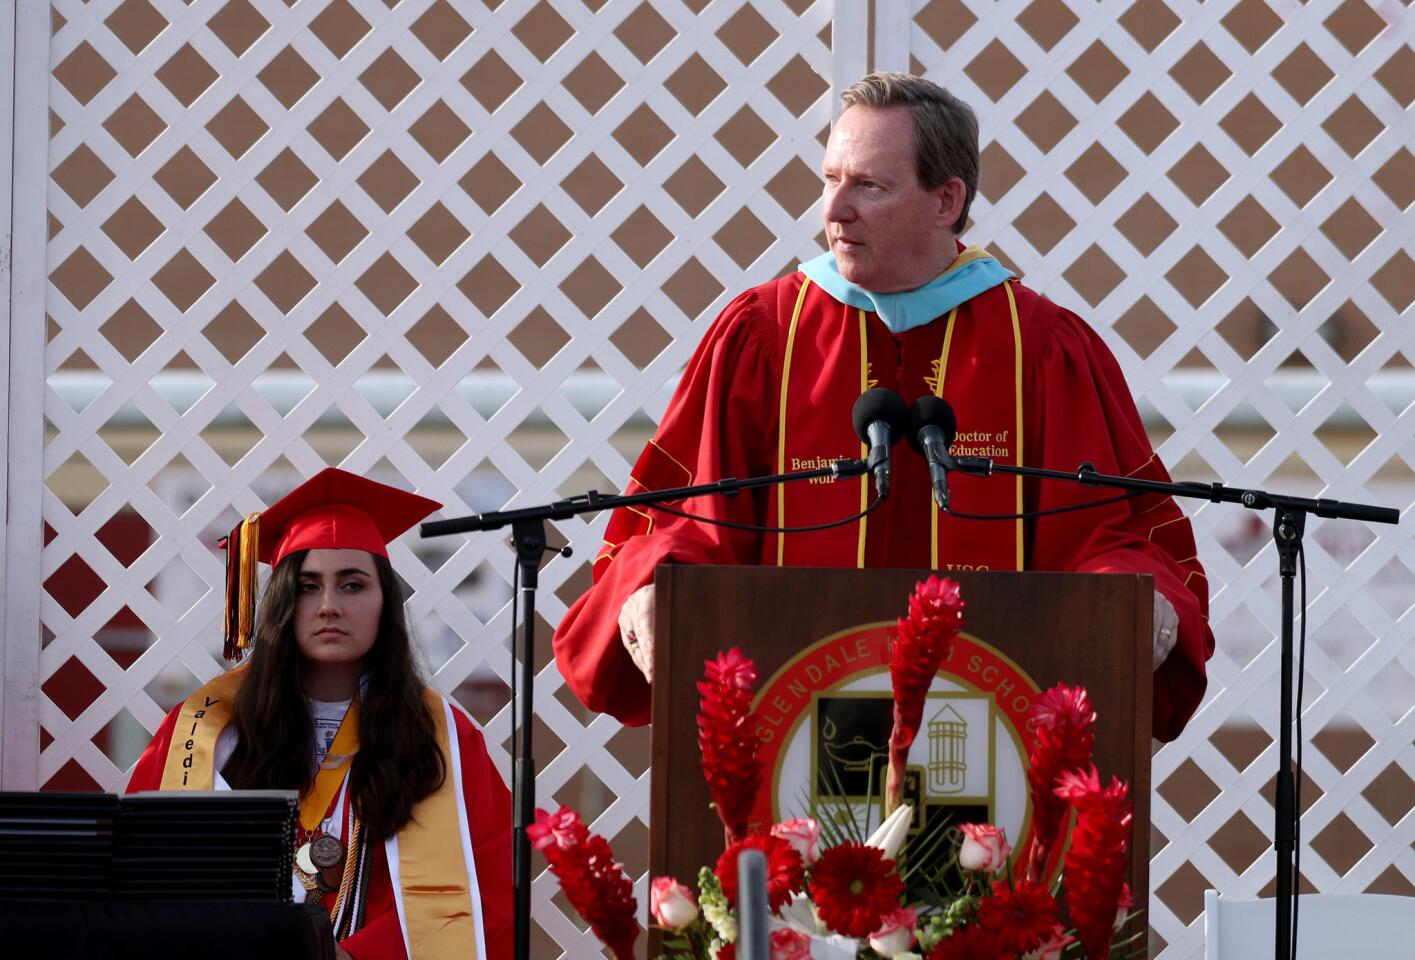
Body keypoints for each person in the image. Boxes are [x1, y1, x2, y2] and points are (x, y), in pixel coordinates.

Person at [553, 72, 1214, 742]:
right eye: (829, 180)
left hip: (993, 735)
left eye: (868, 185)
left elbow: (1102, 536)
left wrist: (1138, 596)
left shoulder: (1038, 348)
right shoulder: (762, 335)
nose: (835, 210)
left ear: (944, 201)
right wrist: (653, 581)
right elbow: (694, 519)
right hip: (786, 733)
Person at [128, 468, 511, 958]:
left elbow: (488, 891)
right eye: (308, 586)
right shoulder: (208, 729)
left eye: (352, 585)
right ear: (284, 604)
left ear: (384, 603)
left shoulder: (442, 737)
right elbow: (148, 870)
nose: (329, 605)